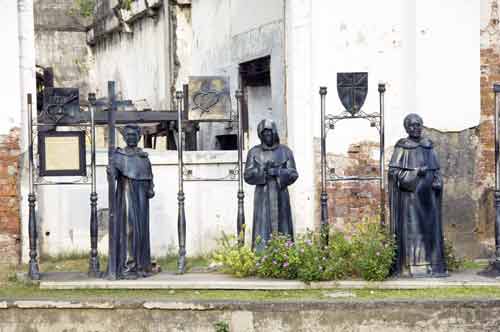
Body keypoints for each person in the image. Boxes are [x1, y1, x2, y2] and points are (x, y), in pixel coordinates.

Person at [389, 114, 447, 277]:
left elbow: (436, 171)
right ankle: (412, 267)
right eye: (412, 125)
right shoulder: (402, 147)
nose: (416, 128)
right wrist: (415, 174)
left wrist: (437, 181)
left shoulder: (428, 146)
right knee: (412, 231)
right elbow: (394, 173)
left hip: (429, 199)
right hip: (411, 200)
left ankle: (433, 265)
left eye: (418, 125)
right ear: (406, 128)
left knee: (431, 231)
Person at [108, 124, 155, 279]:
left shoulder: (143, 156)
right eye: (128, 135)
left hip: (141, 194)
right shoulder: (119, 155)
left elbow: (149, 174)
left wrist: (150, 187)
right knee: (129, 229)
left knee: (141, 230)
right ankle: (129, 265)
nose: (131, 138)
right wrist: (111, 170)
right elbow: (114, 176)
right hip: (127, 191)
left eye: (134, 135)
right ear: (124, 137)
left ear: (139, 137)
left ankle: (141, 264)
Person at [244, 119, 299, 252]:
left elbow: (293, 174)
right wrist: (263, 172)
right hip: (262, 194)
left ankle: (284, 252)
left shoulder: (286, 152)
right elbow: (247, 175)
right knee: (262, 224)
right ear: (260, 135)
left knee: (283, 224)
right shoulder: (254, 152)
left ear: (274, 133)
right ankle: (261, 253)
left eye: (270, 133)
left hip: (281, 194)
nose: (267, 136)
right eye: (264, 134)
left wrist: (278, 172)